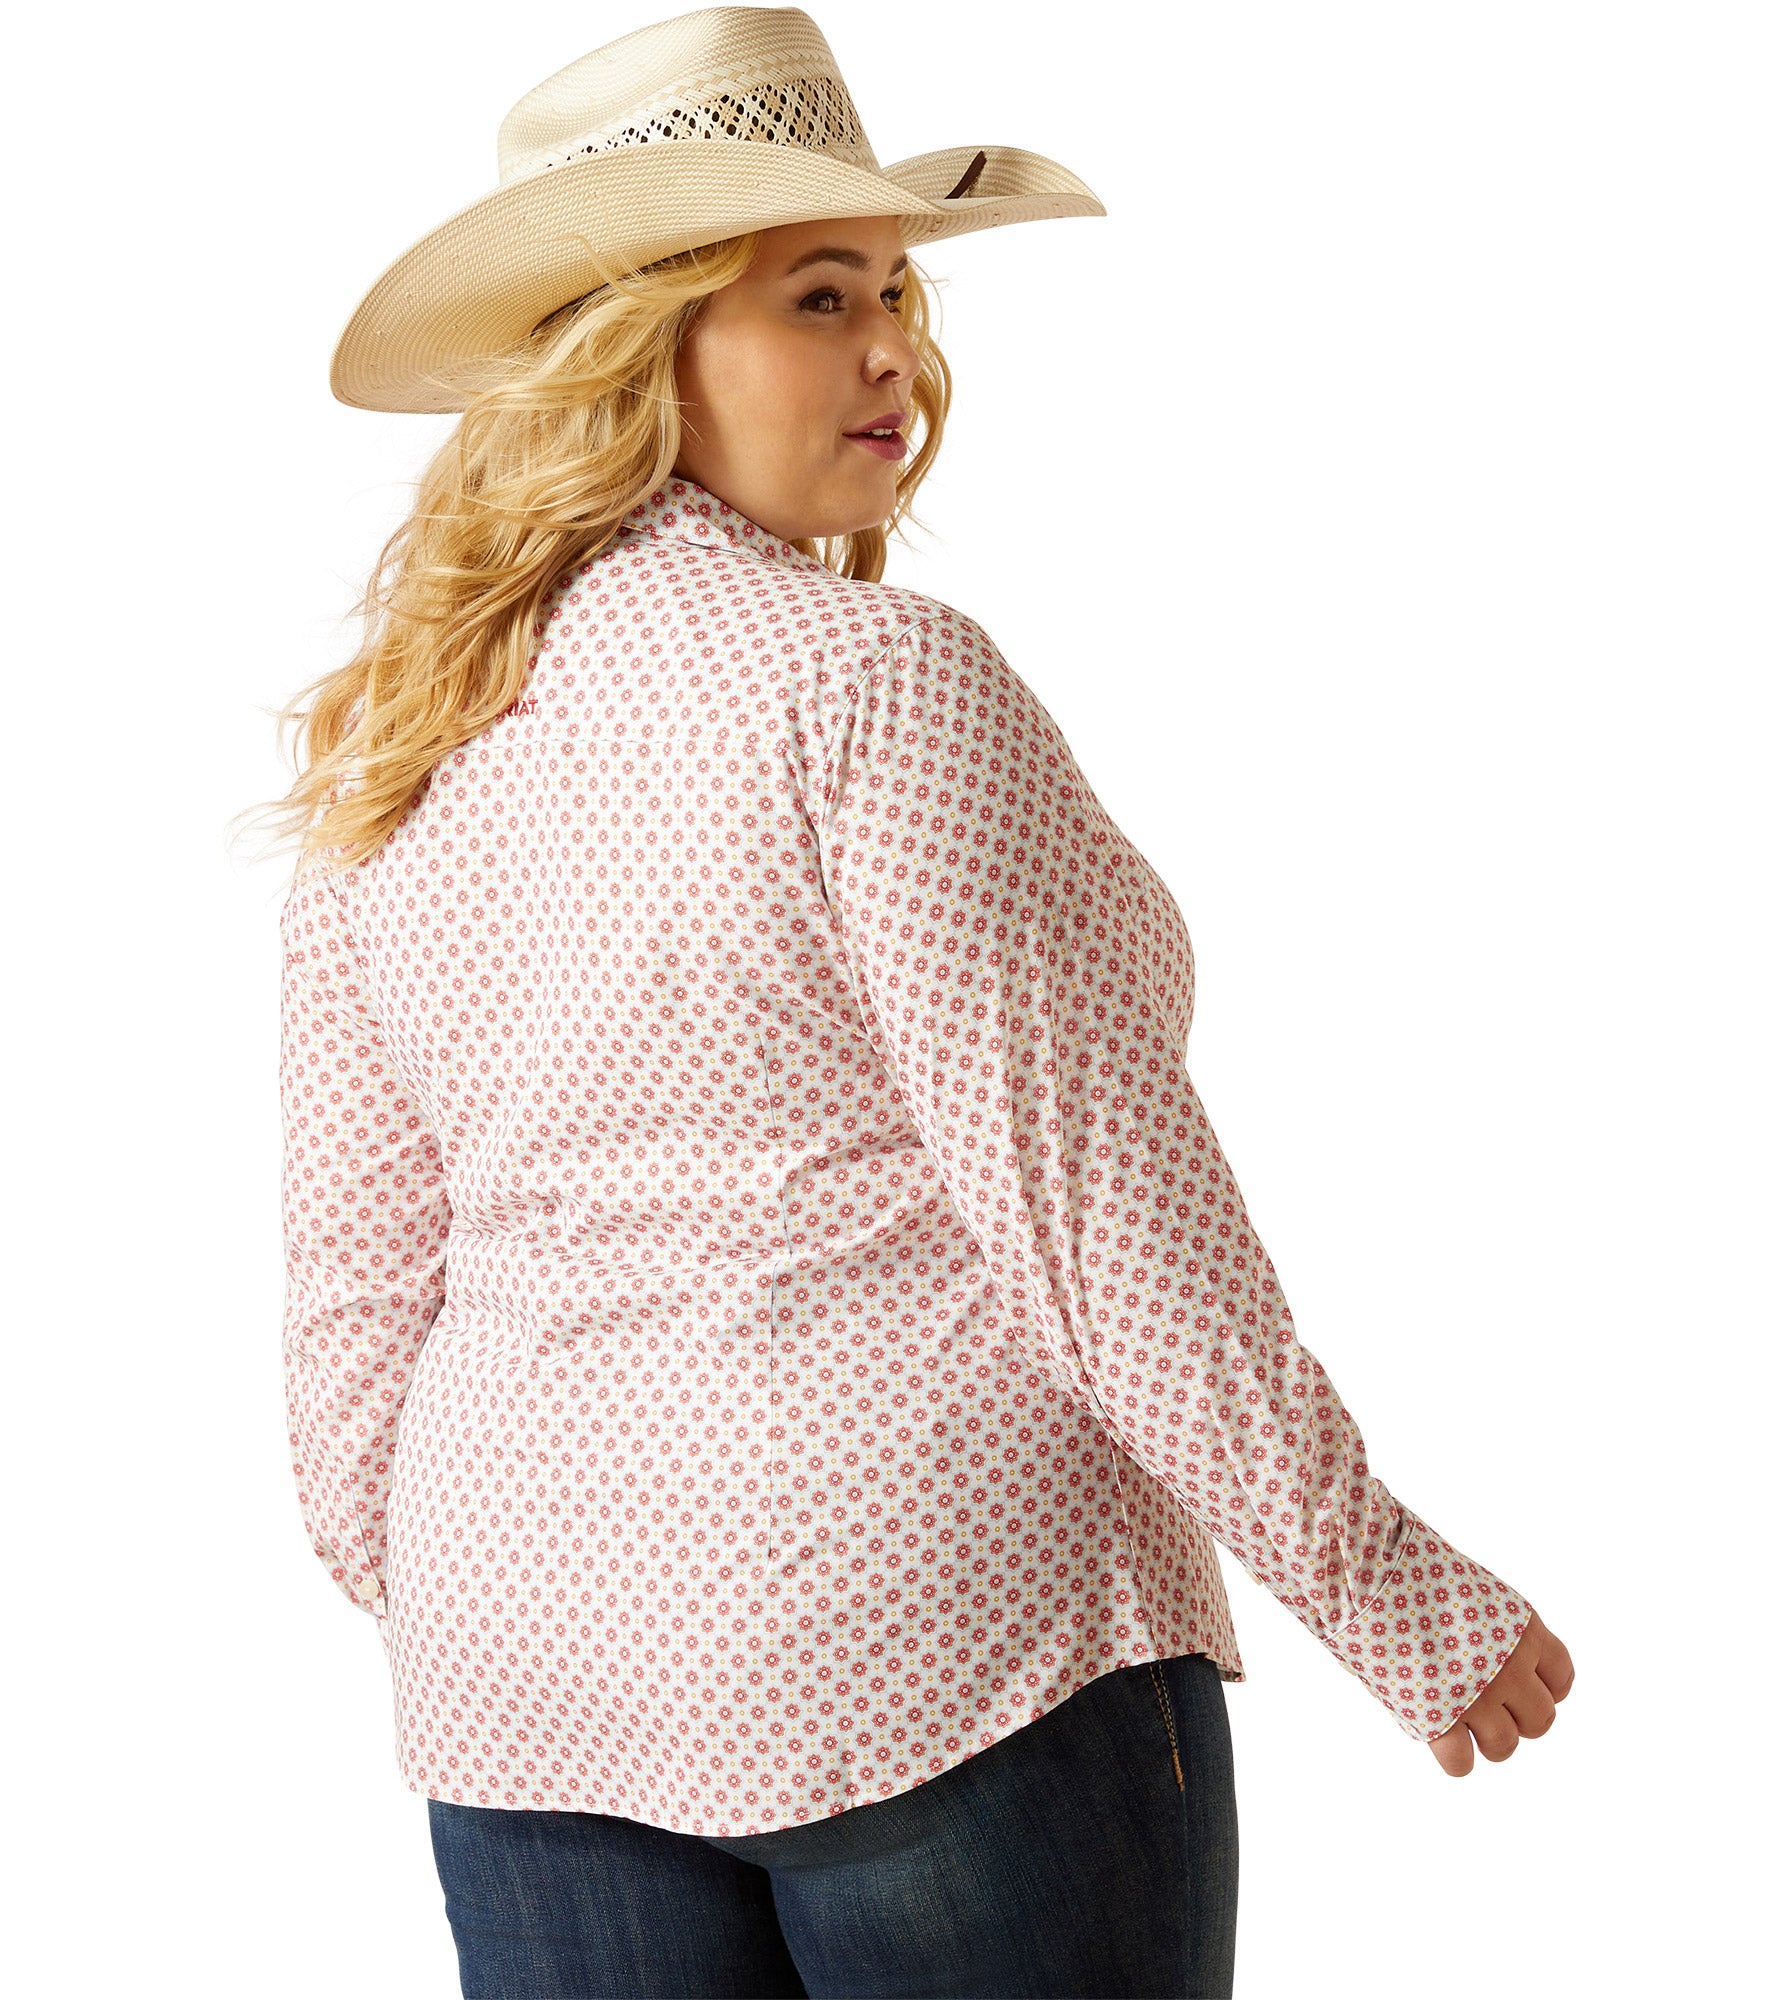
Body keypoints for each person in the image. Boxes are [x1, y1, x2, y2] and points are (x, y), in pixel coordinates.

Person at [257, 9, 1575, 1996]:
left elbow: (353, 1300)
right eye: (817, 297)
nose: (894, 351)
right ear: (636, 346)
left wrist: (478, 1601)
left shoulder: (398, 749)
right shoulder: (870, 682)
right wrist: (1384, 1584)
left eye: (895, 291)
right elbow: (1092, 1212)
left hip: (520, 1687)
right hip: (944, 1650)